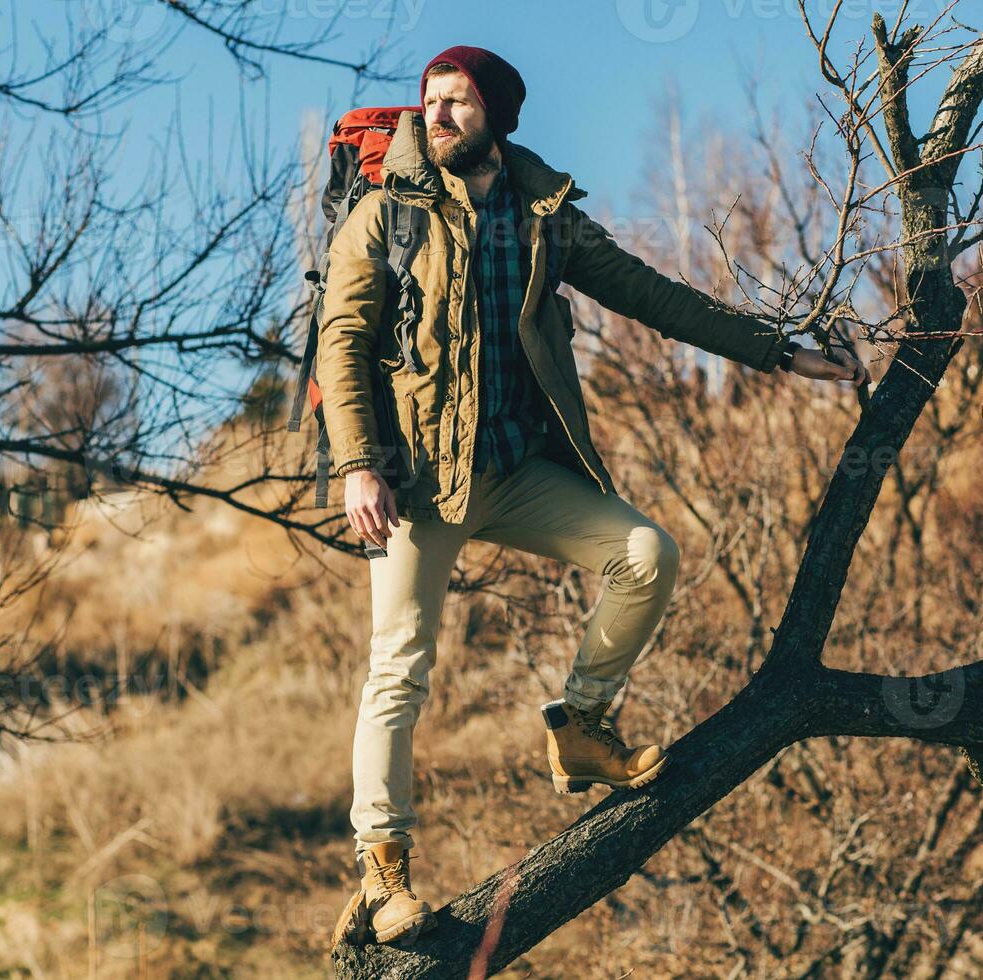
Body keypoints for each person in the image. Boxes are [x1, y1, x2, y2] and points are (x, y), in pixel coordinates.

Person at [321, 45, 868, 949]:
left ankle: (581, 727)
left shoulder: (544, 218)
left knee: (645, 553)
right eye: (430, 102)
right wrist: (356, 465)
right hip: (418, 483)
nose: (438, 116)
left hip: (513, 471)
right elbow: (341, 341)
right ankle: (384, 874)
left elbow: (655, 297)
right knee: (398, 670)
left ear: (497, 116)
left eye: (457, 102)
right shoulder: (388, 215)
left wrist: (785, 353)